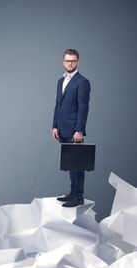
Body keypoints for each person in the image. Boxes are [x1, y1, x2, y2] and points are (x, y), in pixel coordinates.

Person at [52, 49, 91, 207]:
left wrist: (79, 130)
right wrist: (54, 125)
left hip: (74, 131)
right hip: (62, 129)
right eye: (67, 61)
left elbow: (83, 108)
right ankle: (72, 192)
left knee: (77, 165)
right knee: (69, 164)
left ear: (78, 62)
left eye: (73, 61)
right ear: (63, 62)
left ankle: (79, 196)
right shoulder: (60, 81)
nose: (70, 63)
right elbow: (58, 105)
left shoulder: (82, 82)